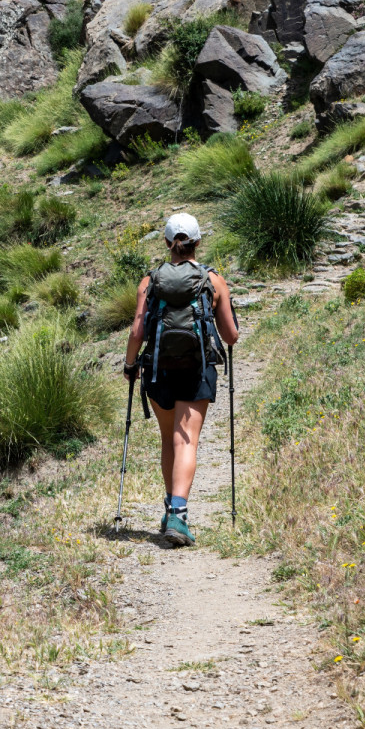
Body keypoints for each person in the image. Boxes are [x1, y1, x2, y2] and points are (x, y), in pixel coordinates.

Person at [122, 211, 238, 546]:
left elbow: (137, 331)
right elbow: (229, 336)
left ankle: (170, 507)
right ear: (198, 242)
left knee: (168, 437)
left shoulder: (150, 280)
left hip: (158, 369)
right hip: (196, 369)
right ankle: (178, 513)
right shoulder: (212, 281)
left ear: (166, 243)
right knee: (185, 438)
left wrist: (130, 365)